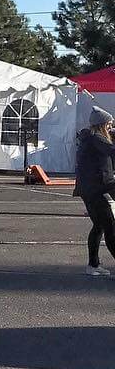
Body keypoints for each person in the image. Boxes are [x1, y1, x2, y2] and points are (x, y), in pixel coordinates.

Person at [74, 105, 115, 278]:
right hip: (96, 189)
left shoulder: (91, 137)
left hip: (91, 188)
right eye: (109, 124)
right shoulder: (96, 138)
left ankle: (93, 264)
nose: (110, 127)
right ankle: (93, 264)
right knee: (110, 226)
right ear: (102, 124)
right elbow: (113, 151)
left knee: (99, 226)